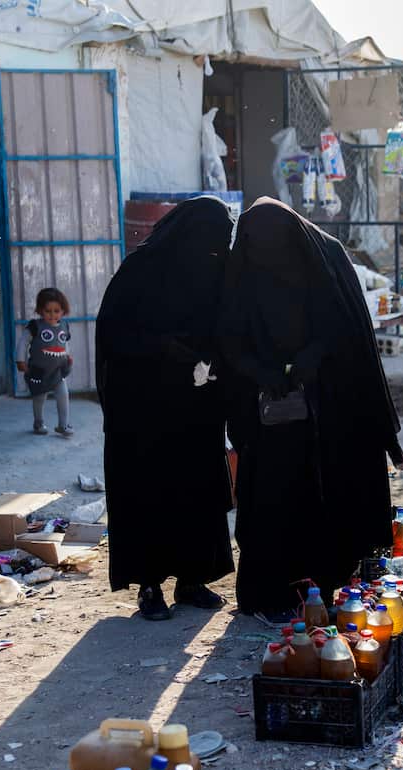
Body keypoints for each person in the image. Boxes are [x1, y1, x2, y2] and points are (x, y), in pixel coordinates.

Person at [218, 198, 403, 623]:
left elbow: (348, 327)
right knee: (272, 495)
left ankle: (321, 584)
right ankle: (269, 592)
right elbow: (229, 337)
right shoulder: (242, 268)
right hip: (266, 415)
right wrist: (263, 372)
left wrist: (311, 358)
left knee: (319, 492)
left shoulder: (325, 257)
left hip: (327, 408)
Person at [95, 197, 235, 620]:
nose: (215, 251)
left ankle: (193, 580)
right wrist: (162, 348)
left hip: (195, 403)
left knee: (195, 488)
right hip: (144, 407)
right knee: (150, 490)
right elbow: (113, 335)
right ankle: (150, 586)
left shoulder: (215, 271)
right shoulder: (139, 272)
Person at [17, 288, 74, 437]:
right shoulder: (35, 327)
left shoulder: (64, 326)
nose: (52, 315)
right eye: (48, 311)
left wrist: (68, 356)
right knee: (39, 397)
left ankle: (63, 425)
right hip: (39, 371)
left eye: (57, 311)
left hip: (57, 371)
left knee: (63, 395)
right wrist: (20, 360)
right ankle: (39, 422)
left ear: (63, 311)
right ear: (40, 310)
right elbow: (23, 343)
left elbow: (64, 342)